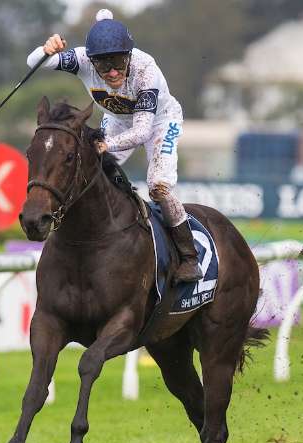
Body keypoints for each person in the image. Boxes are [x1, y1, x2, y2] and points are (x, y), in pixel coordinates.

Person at [26, 9, 202, 284]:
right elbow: (35, 62)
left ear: (129, 55)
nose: (112, 72)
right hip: (118, 119)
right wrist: (46, 49)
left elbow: (142, 132)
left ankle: (189, 256)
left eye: (118, 62)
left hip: (159, 122)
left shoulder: (146, 71)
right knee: (93, 172)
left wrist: (105, 144)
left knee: (158, 186)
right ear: (91, 60)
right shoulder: (82, 59)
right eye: (103, 65)